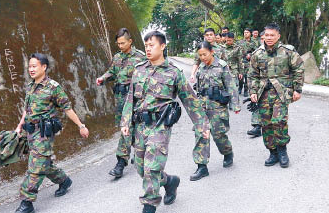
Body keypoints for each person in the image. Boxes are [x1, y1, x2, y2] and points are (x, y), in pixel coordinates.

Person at [120, 31, 210, 213]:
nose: (148, 49)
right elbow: (130, 98)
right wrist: (125, 122)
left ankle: (149, 206)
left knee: (152, 168)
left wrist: (202, 125)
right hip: (140, 126)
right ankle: (169, 182)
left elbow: (190, 100)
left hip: (160, 126)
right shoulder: (139, 69)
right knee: (141, 167)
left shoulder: (173, 72)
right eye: (146, 45)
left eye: (151, 45)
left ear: (162, 46)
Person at [14, 53, 90, 213]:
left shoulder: (53, 87)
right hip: (31, 132)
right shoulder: (30, 86)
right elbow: (26, 110)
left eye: (34, 66)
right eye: (29, 66)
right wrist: (20, 125)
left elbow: (67, 108)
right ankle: (64, 180)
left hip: (44, 133)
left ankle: (26, 203)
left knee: (35, 166)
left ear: (44, 67)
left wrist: (81, 125)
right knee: (43, 163)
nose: (31, 69)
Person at [249, 24, 304, 168]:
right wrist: (253, 91)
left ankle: (282, 151)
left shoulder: (288, 52)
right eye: (266, 35)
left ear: (278, 36)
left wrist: (298, 89)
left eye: (272, 35)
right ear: (263, 36)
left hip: (282, 93)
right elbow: (253, 75)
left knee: (279, 120)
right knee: (266, 124)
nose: (269, 38)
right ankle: (272, 152)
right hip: (264, 93)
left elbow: (299, 69)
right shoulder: (257, 54)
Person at [96, 28, 147, 178]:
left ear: (130, 41)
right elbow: (112, 71)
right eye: (118, 43)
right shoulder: (117, 57)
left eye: (122, 43)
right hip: (120, 98)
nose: (120, 46)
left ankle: (120, 162)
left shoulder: (140, 57)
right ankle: (139, 151)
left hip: (134, 100)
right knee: (127, 127)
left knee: (128, 127)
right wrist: (103, 78)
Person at [190, 41, 240, 181]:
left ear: (212, 52)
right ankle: (201, 166)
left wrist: (235, 105)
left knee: (219, 135)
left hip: (217, 106)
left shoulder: (221, 66)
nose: (203, 58)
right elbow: (199, 89)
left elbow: (231, 86)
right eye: (200, 55)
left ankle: (227, 152)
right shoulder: (201, 69)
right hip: (203, 107)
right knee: (201, 135)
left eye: (205, 54)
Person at [247, 31, 265, 137]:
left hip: (275, 86)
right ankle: (257, 126)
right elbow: (252, 73)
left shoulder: (281, 52)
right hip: (260, 83)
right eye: (262, 38)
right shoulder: (257, 53)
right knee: (256, 103)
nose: (264, 40)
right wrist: (252, 90)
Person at [223, 32, 243, 110]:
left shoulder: (237, 48)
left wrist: (241, 72)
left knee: (234, 87)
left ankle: (234, 104)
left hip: (234, 70)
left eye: (230, 40)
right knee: (225, 87)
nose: (228, 42)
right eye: (227, 40)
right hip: (224, 70)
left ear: (233, 40)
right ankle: (225, 103)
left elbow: (240, 61)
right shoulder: (222, 47)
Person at [237, 28, 255, 97]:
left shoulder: (253, 43)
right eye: (244, 32)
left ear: (250, 34)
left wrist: (250, 55)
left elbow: (256, 52)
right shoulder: (239, 42)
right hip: (241, 61)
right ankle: (240, 87)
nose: (245, 34)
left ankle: (246, 90)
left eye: (247, 32)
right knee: (241, 77)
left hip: (248, 62)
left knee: (247, 77)